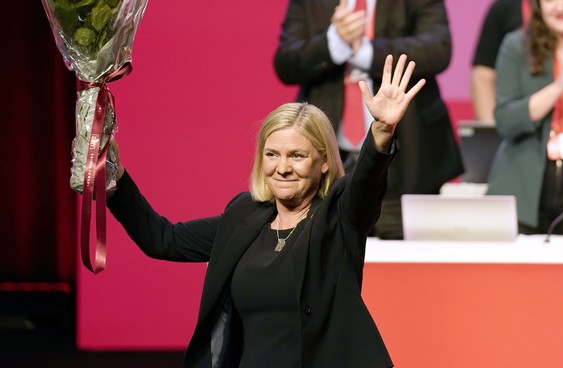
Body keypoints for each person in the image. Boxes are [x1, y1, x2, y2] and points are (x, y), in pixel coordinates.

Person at [106, 54, 425, 367]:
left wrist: (382, 131)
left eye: (297, 156)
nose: (282, 168)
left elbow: (367, 182)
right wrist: (114, 174)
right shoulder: (243, 215)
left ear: (324, 161)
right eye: (273, 154)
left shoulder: (339, 214)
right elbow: (163, 239)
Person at [273, 0, 464, 240]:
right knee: (327, 254)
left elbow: (437, 48)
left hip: (404, 162)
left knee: (405, 268)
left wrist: (365, 52)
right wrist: (334, 41)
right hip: (329, 166)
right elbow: (286, 62)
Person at [487, 0, 563, 234]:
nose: (560, 7)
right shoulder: (516, 46)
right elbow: (506, 120)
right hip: (523, 187)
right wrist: (559, 86)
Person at [471, 0, 530, 124]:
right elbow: (483, 76)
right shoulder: (505, 9)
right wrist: (493, 131)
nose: (560, 7)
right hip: (513, 120)